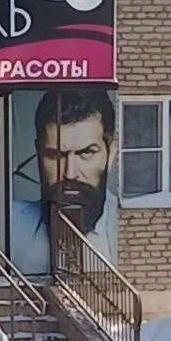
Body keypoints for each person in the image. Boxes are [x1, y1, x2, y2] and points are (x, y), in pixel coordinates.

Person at [13, 88, 117, 272]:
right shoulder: (10, 225)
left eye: (86, 153)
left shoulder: (127, 225)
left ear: (111, 154)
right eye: (55, 155)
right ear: (38, 153)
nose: (70, 173)